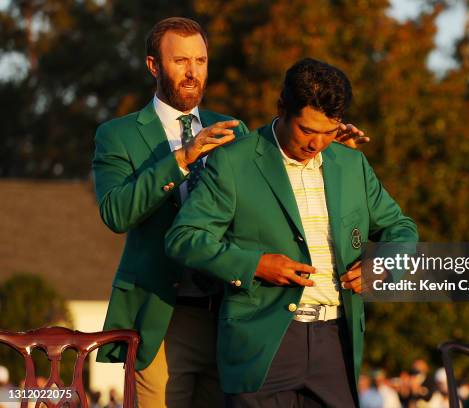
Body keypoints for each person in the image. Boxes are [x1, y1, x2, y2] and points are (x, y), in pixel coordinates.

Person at [93, 17, 369, 408]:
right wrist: (183, 158)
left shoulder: (234, 131)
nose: (192, 72)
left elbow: (276, 175)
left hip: (233, 317)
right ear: (154, 66)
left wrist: (320, 139)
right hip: (163, 316)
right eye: (180, 61)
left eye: (201, 61)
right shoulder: (117, 134)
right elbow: (116, 214)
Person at [166, 57, 418, 407]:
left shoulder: (352, 164)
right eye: (307, 130)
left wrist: (385, 264)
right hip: (262, 345)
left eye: (329, 132)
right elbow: (184, 238)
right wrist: (254, 265)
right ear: (282, 108)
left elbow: (401, 228)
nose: (317, 144)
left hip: (335, 342)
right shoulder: (234, 162)